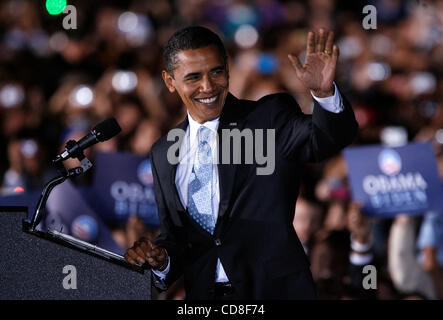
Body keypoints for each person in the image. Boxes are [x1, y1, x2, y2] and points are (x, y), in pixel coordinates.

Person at [124, 25, 358, 300]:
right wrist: (161, 259)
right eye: (193, 77)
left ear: (228, 67)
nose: (208, 86)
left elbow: (324, 140)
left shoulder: (267, 119)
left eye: (216, 71)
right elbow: (178, 238)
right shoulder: (163, 152)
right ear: (169, 81)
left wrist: (324, 94)